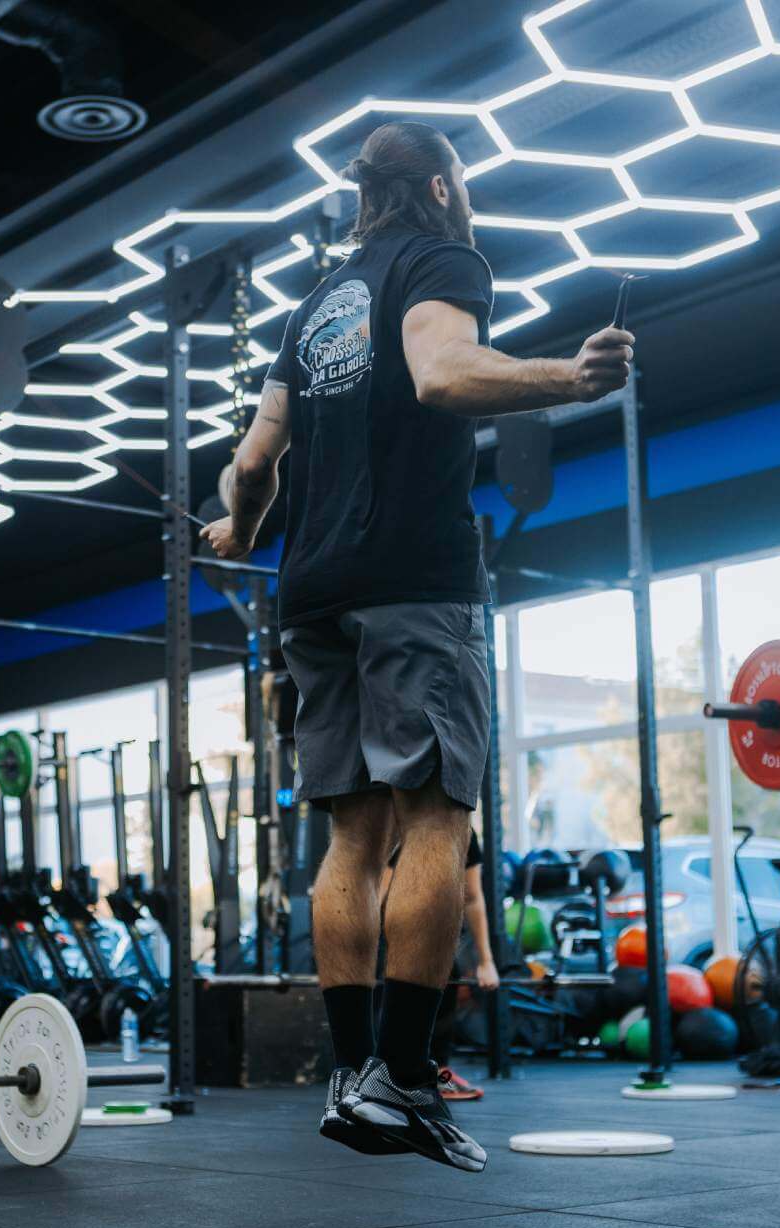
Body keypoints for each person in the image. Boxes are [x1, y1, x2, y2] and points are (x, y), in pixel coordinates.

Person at [201, 119, 633, 1171]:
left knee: (351, 840)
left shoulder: (312, 309)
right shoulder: (443, 259)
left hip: (310, 595)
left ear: (364, 196)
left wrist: (241, 533)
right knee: (437, 817)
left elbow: (250, 465)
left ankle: (353, 1078)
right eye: (460, 181)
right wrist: (570, 381)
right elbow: (440, 374)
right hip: (410, 582)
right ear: (439, 186)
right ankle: (398, 1076)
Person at [380, 829, 498, 1102]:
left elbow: (472, 897)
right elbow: (381, 895)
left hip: (435, 934)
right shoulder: (404, 827)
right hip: (393, 930)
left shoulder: (463, 831)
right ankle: (387, 1078)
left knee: (446, 971)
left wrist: (486, 961)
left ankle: (435, 1071)